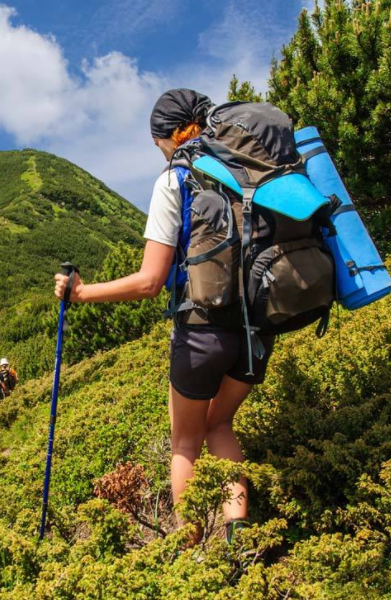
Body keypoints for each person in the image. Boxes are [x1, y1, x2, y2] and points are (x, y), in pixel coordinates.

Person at [53, 89, 276, 545]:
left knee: (186, 443)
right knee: (221, 424)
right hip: (259, 325)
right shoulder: (251, 168)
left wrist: (81, 293)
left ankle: (192, 550)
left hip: (202, 333)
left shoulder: (175, 179)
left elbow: (150, 281)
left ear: (170, 136)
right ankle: (238, 534)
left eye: (157, 143)